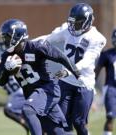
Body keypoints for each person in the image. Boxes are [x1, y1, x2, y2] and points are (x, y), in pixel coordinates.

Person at [0, 19, 82, 135]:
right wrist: (6, 69)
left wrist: (77, 73)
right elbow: (1, 81)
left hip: (47, 89)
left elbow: (61, 57)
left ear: (17, 36)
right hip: (34, 96)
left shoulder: (36, 47)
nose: (4, 41)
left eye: (6, 37)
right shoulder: (6, 56)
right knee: (57, 132)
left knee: (28, 110)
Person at [32, 3, 106, 135]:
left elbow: (88, 60)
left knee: (79, 123)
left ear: (87, 22)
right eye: (72, 22)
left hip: (84, 83)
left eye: (77, 23)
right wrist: (28, 45)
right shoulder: (67, 30)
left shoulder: (97, 38)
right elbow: (48, 39)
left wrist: (68, 70)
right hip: (65, 82)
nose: (73, 26)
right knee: (61, 121)